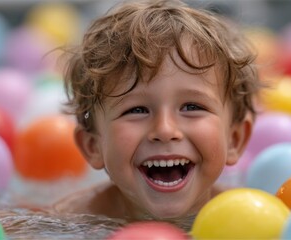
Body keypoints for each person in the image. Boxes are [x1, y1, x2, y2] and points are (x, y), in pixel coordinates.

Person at [53, 0, 262, 227]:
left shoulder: (248, 218)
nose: (164, 130)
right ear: (93, 146)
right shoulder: (71, 220)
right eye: (137, 110)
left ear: (234, 139)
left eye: (192, 107)